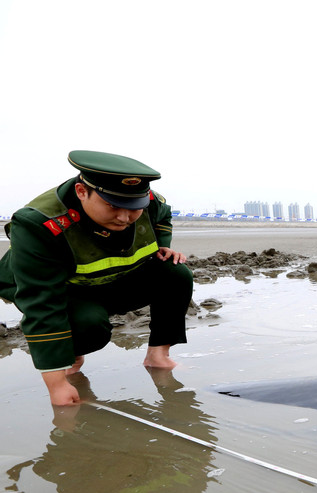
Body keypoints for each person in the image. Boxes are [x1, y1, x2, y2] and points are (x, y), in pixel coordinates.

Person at [0, 150, 193, 406]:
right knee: (90, 326)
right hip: (60, 287)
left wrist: (162, 245)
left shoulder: (149, 200)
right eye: (113, 206)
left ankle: (158, 356)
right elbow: (42, 304)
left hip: (105, 279)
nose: (125, 217)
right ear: (82, 191)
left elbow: (162, 216)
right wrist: (56, 384)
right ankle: (72, 357)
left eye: (134, 208)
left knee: (175, 272)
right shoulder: (38, 224)